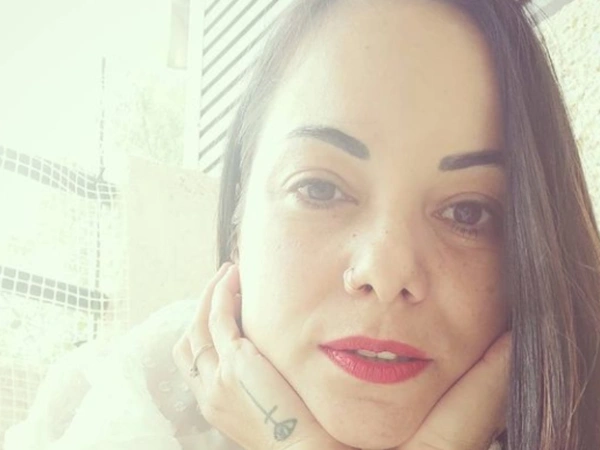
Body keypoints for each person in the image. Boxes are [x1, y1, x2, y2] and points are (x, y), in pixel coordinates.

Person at [5, 0, 600, 449]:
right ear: (238, 222)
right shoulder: (105, 411)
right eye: (319, 189)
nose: (385, 270)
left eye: (468, 212)